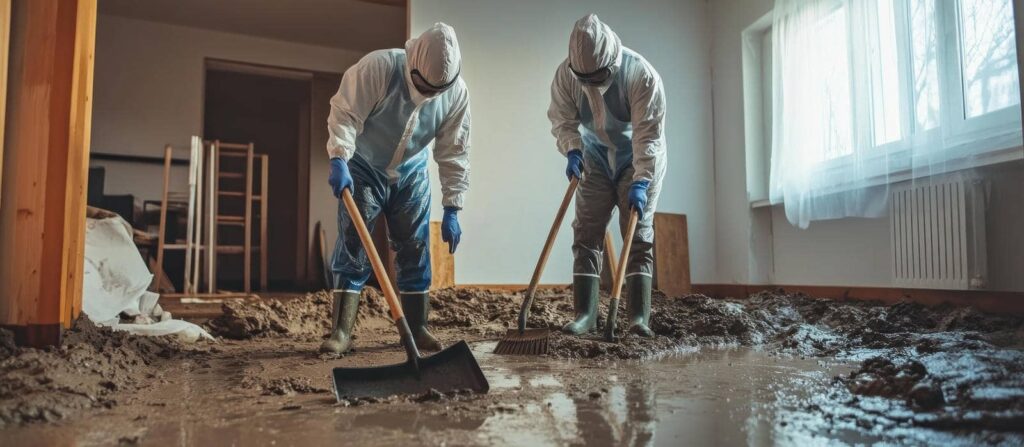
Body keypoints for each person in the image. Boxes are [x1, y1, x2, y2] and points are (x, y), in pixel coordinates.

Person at [321, 23, 471, 354]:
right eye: (423, 86)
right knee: (353, 244)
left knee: (415, 247)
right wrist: (339, 159)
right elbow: (345, 114)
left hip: (412, 172)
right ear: (412, 64)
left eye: (437, 90)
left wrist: (452, 207)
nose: (430, 94)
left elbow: (453, 151)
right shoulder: (380, 68)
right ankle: (341, 332)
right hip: (363, 166)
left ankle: (417, 328)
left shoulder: (456, 94)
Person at [549, 14, 667, 337]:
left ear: (610, 62)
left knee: (637, 233)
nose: (589, 84)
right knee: (586, 231)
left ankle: (637, 318)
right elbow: (562, 118)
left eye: (597, 77)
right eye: (582, 78)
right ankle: (585, 314)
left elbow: (649, 138)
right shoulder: (566, 76)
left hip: (636, 157)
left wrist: (642, 180)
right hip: (595, 156)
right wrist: (572, 148)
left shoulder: (640, 76)